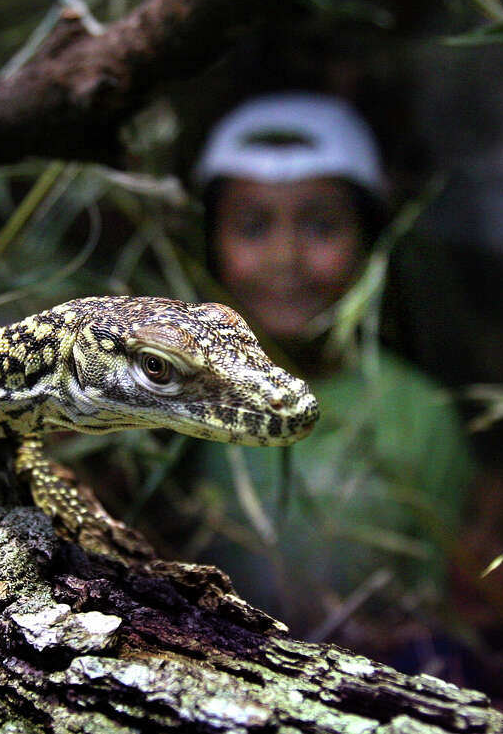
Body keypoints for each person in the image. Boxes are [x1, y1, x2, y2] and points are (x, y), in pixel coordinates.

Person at [188, 93, 475, 639]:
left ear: (368, 241)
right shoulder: (169, 391)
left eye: (321, 227)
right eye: (252, 227)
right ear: (208, 242)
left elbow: (441, 611)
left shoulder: (421, 413)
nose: (285, 259)